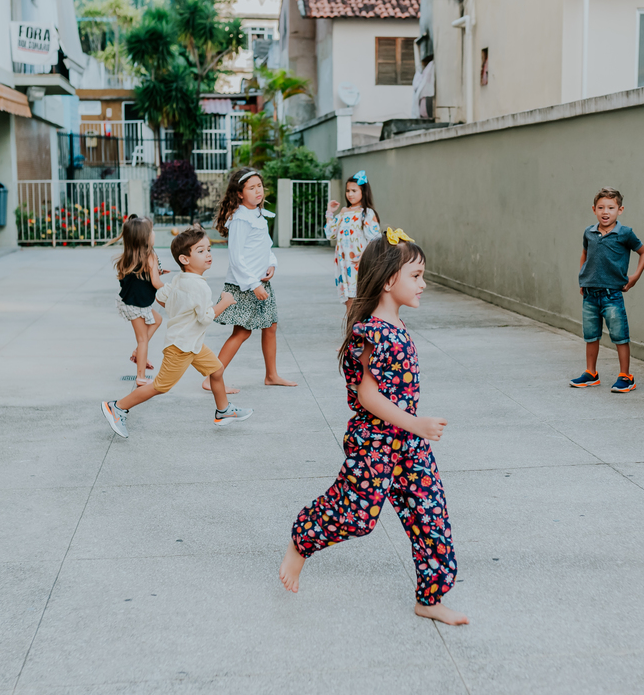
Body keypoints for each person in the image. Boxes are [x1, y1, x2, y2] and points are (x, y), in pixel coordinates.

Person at [279, 228, 468, 627]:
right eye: (416, 276)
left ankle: (430, 597)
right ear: (387, 281)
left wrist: (413, 431)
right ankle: (301, 542)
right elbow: (368, 396)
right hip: (376, 444)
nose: (423, 283)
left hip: (409, 446)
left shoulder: (396, 325)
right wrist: (416, 423)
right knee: (357, 516)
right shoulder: (373, 332)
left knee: (430, 517)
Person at [101, 227, 252, 439]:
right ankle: (117, 407)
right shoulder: (199, 287)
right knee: (161, 386)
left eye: (208, 249)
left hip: (192, 343)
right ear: (184, 259)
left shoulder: (182, 279)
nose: (208, 254)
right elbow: (206, 317)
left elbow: (162, 296)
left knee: (216, 370)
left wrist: (178, 308)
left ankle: (223, 410)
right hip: (181, 346)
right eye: (200, 251)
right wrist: (225, 302)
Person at [204, 167, 297, 393]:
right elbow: (236, 258)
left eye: (259, 186)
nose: (258, 191)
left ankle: (271, 375)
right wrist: (254, 284)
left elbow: (265, 246)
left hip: (260, 282)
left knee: (271, 326)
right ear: (239, 193)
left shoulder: (257, 213)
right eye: (251, 188)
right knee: (242, 332)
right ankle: (211, 378)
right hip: (244, 285)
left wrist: (272, 264)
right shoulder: (240, 219)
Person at [570, 188, 644, 392]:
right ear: (594, 209)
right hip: (589, 294)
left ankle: (626, 376)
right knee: (591, 335)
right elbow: (585, 254)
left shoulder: (625, 233)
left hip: (612, 295)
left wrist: (635, 277)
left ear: (620, 210)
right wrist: (582, 279)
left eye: (611, 208)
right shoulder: (589, 232)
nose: (605, 212)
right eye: (601, 207)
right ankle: (591, 373)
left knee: (620, 336)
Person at [115, 216, 166, 385]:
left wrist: (158, 272)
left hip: (131, 301)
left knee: (157, 319)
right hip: (135, 304)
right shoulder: (150, 256)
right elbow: (156, 283)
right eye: (151, 231)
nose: (154, 234)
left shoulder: (131, 255)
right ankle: (141, 377)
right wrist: (172, 289)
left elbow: (140, 276)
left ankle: (138, 352)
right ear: (144, 237)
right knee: (143, 340)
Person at [325, 170, 382, 306]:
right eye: (348, 191)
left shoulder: (367, 213)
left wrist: (363, 256)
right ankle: (351, 321)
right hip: (343, 264)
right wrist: (329, 212)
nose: (350, 194)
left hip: (359, 263)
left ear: (363, 192)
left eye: (354, 191)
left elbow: (376, 240)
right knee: (349, 302)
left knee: (360, 302)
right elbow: (330, 233)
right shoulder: (344, 212)